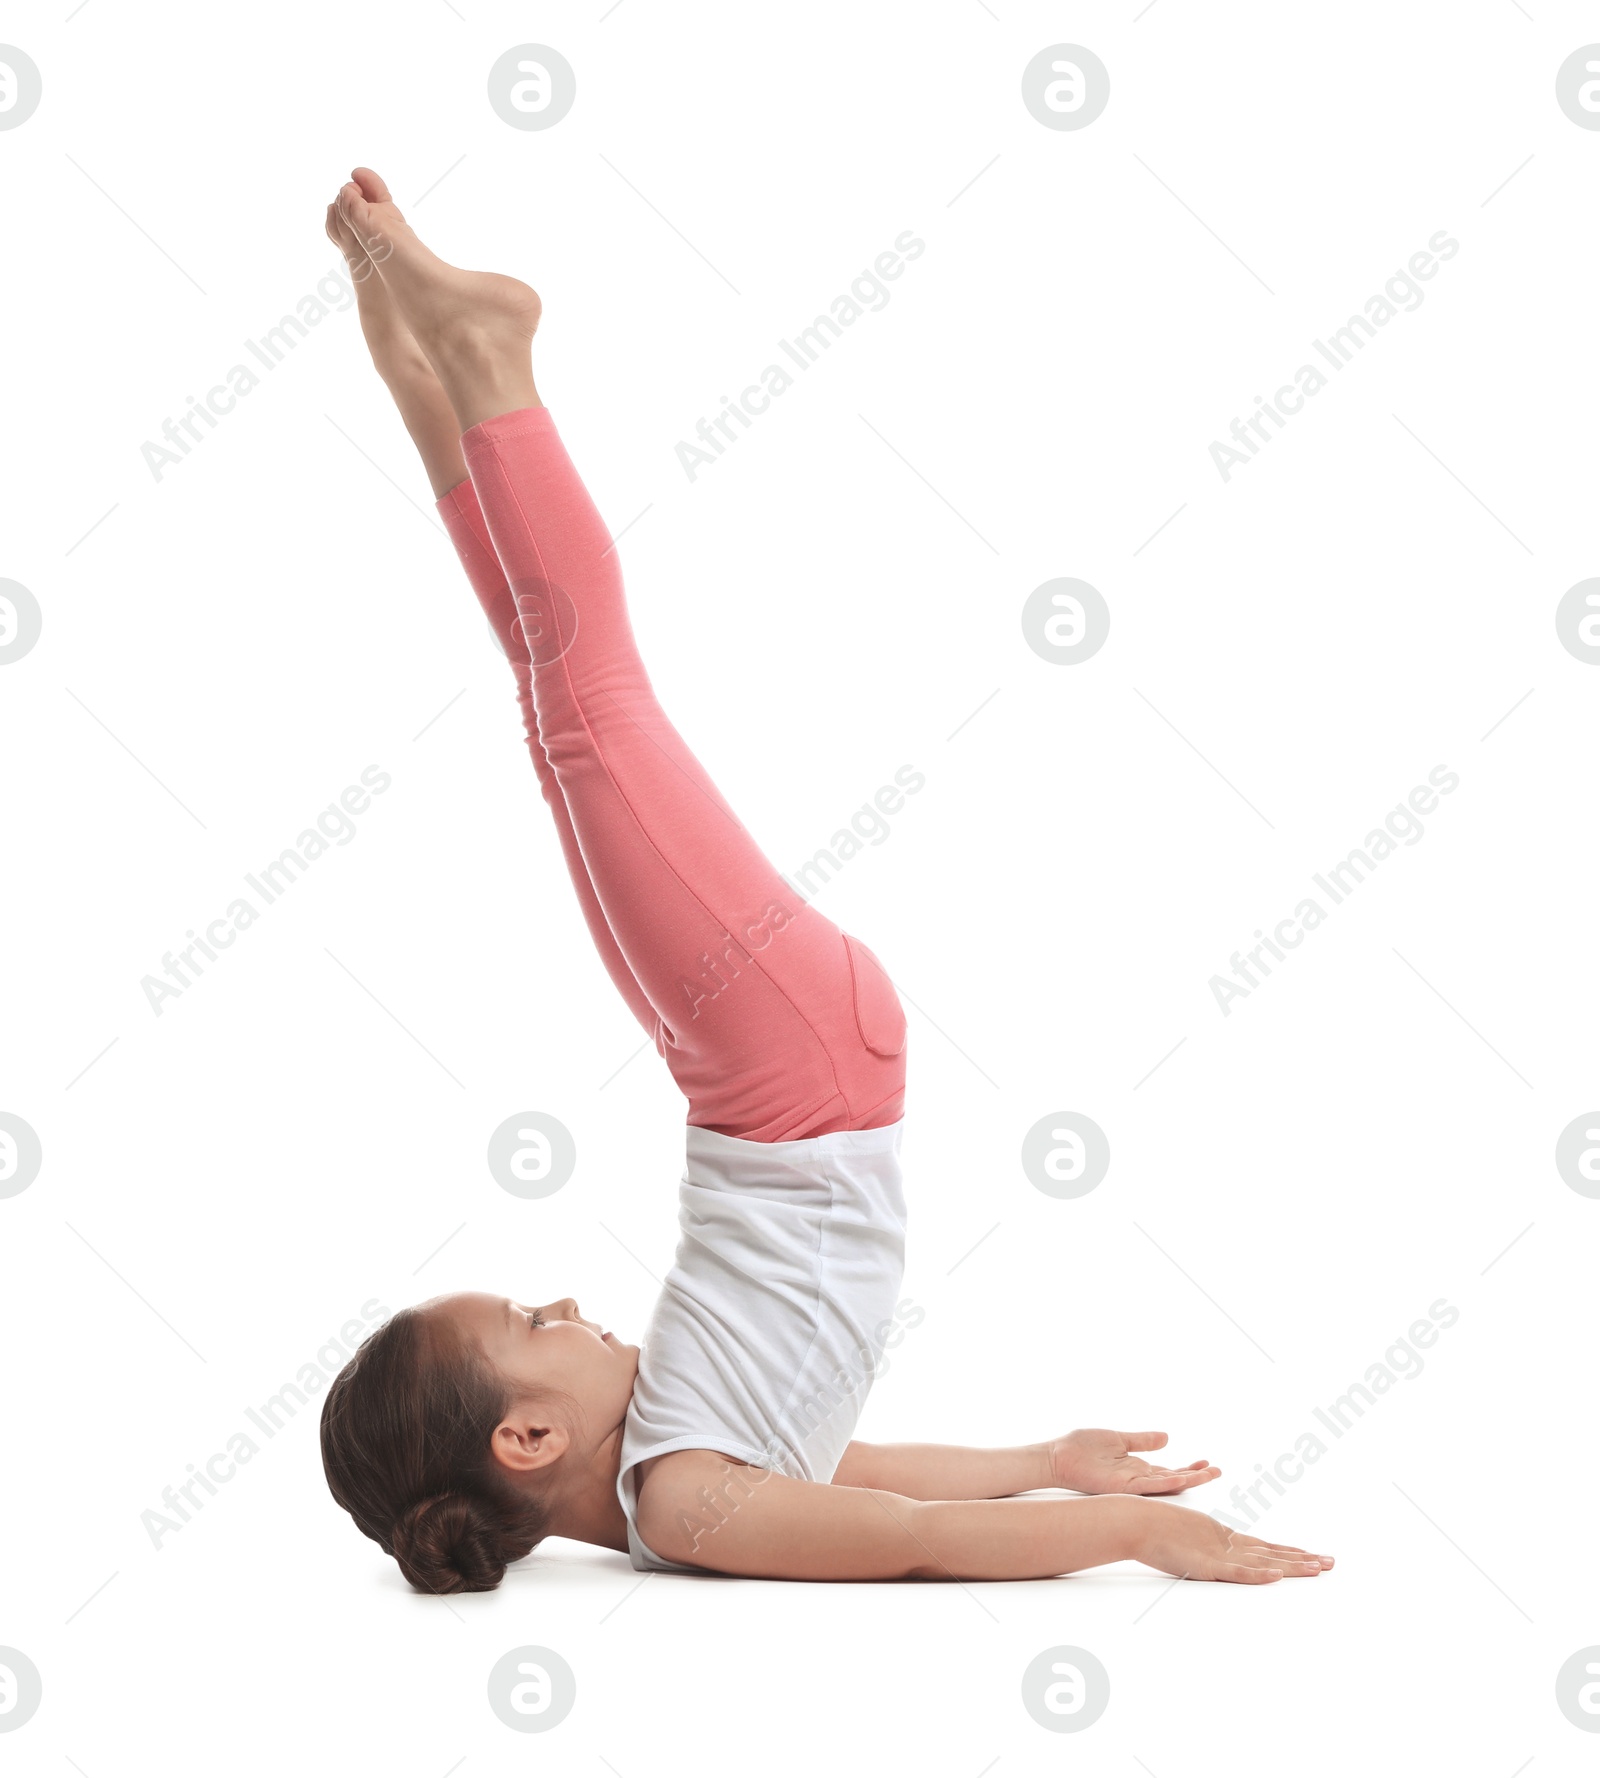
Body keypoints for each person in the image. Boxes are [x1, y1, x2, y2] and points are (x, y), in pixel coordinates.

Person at [317, 168, 1334, 1594]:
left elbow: (861, 1464)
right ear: (528, 1430)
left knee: (563, 720)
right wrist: (1136, 1527)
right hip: (782, 1065)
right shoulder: (684, 1500)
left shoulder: (683, 1458)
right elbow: (911, 1541)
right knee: (587, 708)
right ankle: (480, 359)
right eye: (534, 1316)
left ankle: (426, 372)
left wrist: (1049, 1455)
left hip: (772, 1068)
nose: (568, 1298)